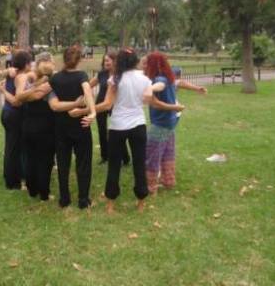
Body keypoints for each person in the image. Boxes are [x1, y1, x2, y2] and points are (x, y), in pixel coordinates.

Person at [71, 48, 183, 214]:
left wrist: (81, 111)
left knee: (114, 166)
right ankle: (140, 204)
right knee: (139, 164)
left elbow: (107, 105)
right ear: (135, 61)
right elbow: (153, 102)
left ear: (120, 61)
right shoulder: (144, 78)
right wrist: (174, 107)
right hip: (139, 126)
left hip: (118, 127)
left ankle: (110, 205)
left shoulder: (115, 79)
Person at [48, 46, 96, 209]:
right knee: (83, 163)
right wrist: (92, 111)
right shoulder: (81, 75)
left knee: (63, 163)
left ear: (64, 59)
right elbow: (87, 91)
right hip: (81, 125)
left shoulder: (55, 78)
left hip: (60, 127)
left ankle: (64, 199)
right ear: (79, 60)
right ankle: (83, 200)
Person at [12, 57, 56, 200]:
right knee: (45, 160)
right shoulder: (49, 85)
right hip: (45, 128)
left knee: (31, 159)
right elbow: (36, 95)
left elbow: (19, 98)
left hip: (28, 126)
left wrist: (33, 87)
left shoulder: (30, 85)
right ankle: (43, 193)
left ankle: (32, 190)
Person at [144, 53, 188, 194]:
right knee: (167, 153)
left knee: (152, 155)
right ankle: (168, 181)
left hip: (161, 124)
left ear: (154, 64)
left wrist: (151, 88)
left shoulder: (160, 79)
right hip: (170, 122)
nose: (144, 66)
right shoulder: (169, 77)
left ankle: (151, 188)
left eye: (147, 63)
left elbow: (159, 85)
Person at [0, 51, 32, 190]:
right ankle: (12, 182)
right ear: (26, 64)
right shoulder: (19, 76)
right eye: (30, 62)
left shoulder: (16, 73)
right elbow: (17, 102)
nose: (31, 65)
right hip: (13, 114)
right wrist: (3, 91)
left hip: (9, 113)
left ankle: (11, 175)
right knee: (13, 148)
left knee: (13, 147)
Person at [89, 52, 130, 165]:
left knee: (118, 130)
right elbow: (88, 85)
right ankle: (105, 156)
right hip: (101, 105)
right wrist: (87, 95)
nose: (105, 63)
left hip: (116, 105)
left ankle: (125, 157)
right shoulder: (101, 74)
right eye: (104, 60)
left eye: (108, 60)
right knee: (102, 131)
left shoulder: (121, 75)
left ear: (115, 61)